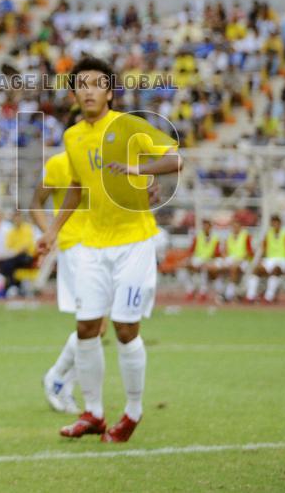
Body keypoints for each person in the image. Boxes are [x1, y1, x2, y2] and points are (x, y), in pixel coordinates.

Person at [36, 56, 181, 443]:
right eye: (81, 84)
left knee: (125, 329)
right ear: (73, 93)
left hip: (134, 242)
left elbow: (175, 159)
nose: (88, 90)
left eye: (96, 83)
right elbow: (77, 189)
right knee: (85, 328)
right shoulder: (72, 137)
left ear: (110, 91)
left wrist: (141, 171)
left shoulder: (129, 125)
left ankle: (132, 412)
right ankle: (94, 412)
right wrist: (51, 230)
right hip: (93, 246)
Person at [32, 150, 89, 415]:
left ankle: (60, 381)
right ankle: (59, 380)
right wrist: (50, 231)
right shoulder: (58, 162)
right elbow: (36, 202)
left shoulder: (104, 158)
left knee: (96, 329)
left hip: (104, 247)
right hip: (75, 248)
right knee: (92, 324)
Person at [245, 214, 285, 304]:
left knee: (276, 269)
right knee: (256, 270)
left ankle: (269, 297)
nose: (275, 225)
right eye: (273, 223)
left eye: (276, 223)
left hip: (283, 260)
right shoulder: (268, 234)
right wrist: (259, 261)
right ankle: (250, 296)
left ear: (280, 224)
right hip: (270, 259)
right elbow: (263, 249)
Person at [181, 219, 220, 302]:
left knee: (204, 268)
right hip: (198, 258)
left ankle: (203, 291)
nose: (205, 228)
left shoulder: (215, 238)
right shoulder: (198, 237)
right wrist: (189, 260)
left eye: (207, 226)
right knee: (185, 267)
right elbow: (191, 250)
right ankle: (190, 289)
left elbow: (217, 253)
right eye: (204, 226)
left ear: (210, 227)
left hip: (209, 260)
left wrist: (209, 261)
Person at [221, 219, 254, 302]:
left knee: (234, 269)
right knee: (218, 268)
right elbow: (224, 251)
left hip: (243, 260)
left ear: (240, 227)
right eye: (233, 227)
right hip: (231, 259)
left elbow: (250, 252)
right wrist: (225, 259)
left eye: (237, 227)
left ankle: (229, 294)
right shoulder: (229, 237)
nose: (235, 228)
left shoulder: (246, 236)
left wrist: (240, 260)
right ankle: (221, 291)